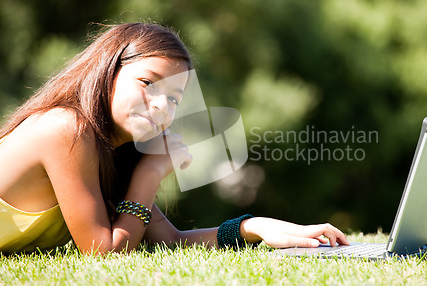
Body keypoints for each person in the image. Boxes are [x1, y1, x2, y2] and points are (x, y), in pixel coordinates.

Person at [0, 22, 348, 254]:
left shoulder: (113, 150)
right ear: (107, 71)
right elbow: (103, 251)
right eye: (148, 83)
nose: (160, 105)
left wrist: (252, 227)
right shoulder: (66, 129)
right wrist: (151, 173)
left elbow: (168, 239)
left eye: (173, 98)